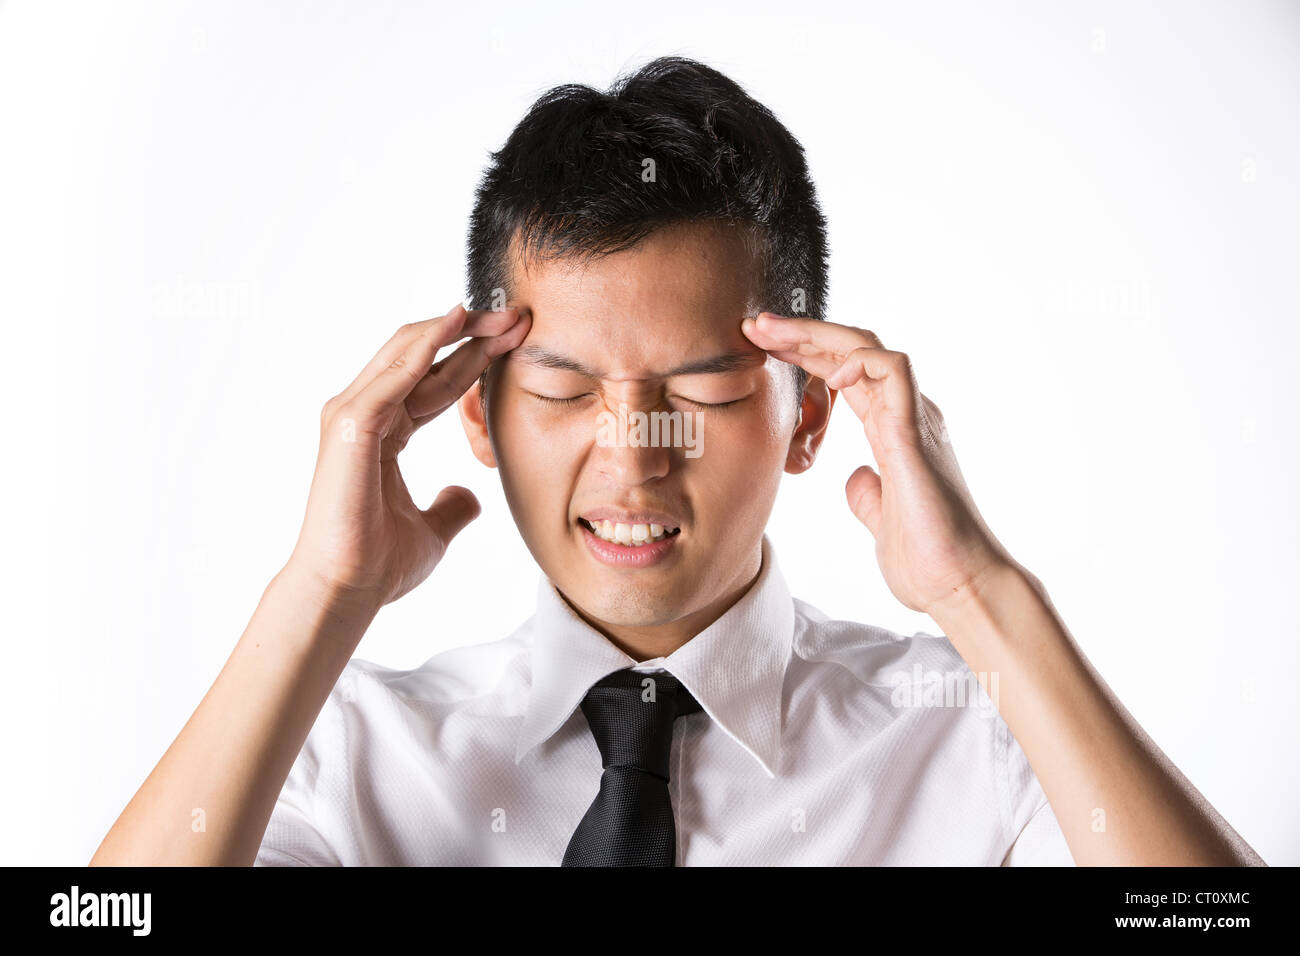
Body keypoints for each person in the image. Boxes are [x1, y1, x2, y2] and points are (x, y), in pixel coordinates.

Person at [91, 56, 1264, 867]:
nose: (633, 450)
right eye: (560, 386)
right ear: (479, 416)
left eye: (701, 386)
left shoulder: (974, 736)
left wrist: (983, 598)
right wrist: (316, 600)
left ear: (808, 419)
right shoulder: (348, 754)